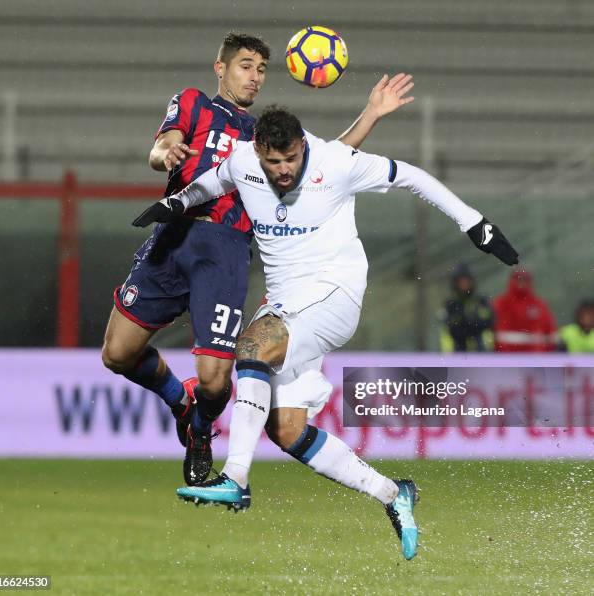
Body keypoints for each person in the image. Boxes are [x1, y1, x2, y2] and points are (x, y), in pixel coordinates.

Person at [134, 105, 519, 560]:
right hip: (288, 305)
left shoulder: (335, 162)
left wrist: (473, 222)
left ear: (304, 147)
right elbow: (214, 182)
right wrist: (176, 202)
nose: (283, 171)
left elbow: (411, 175)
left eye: (291, 159)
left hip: (335, 292)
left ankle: (234, 477)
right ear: (258, 152)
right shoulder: (243, 161)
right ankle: (393, 494)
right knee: (287, 430)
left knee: (254, 345)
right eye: (273, 162)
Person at [101, 31, 417, 486]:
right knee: (117, 354)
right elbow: (163, 145)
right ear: (221, 67)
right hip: (172, 239)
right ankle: (180, 400)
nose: (254, 77)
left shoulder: (264, 134)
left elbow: (332, 160)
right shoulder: (193, 104)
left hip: (225, 250)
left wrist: (371, 114)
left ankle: (202, 428)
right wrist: (165, 151)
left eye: (262, 69)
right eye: (245, 66)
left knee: (214, 381)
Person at [493, 270, 557, 352]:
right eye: (518, 279)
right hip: (506, 357)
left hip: (535, 357)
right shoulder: (501, 304)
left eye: (525, 280)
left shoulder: (539, 304)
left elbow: (550, 331)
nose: (521, 283)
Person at [439, 263, 494, 351]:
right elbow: (448, 327)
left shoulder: (481, 301)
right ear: (455, 283)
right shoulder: (451, 304)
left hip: (481, 351)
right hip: (457, 350)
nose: (464, 284)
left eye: (466, 281)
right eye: (461, 281)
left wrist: (473, 322)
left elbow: (489, 322)